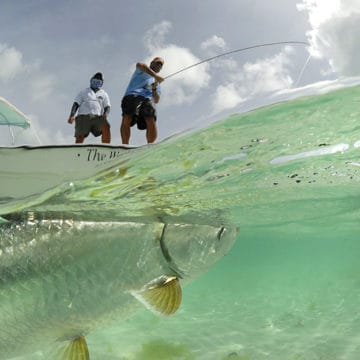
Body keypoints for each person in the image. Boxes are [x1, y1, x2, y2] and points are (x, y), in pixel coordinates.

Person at [120, 57, 164, 144]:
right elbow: (140, 65)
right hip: (133, 95)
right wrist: (155, 75)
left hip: (147, 100)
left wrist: (154, 88)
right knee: (128, 117)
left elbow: (156, 100)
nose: (159, 65)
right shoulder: (143, 69)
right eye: (157, 63)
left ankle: (150, 145)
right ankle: (125, 145)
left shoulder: (157, 82)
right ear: (152, 63)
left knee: (150, 117)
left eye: (161, 65)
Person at [68, 72, 111, 144]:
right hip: (83, 117)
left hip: (97, 117)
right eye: (95, 81)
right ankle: (77, 148)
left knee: (106, 126)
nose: (96, 83)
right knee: (80, 135)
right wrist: (72, 115)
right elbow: (76, 103)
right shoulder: (83, 92)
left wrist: (105, 114)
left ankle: (106, 147)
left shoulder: (104, 94)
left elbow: (107, 106)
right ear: (91, 81)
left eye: (99, 81)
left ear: (101, 83)